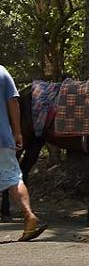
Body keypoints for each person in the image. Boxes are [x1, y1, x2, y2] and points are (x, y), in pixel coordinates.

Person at [0, 64, 46, 241]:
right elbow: (13, 103)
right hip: (3, 137)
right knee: (13, 178)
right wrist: (17, 132)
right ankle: (29, 216)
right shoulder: (2, 71)